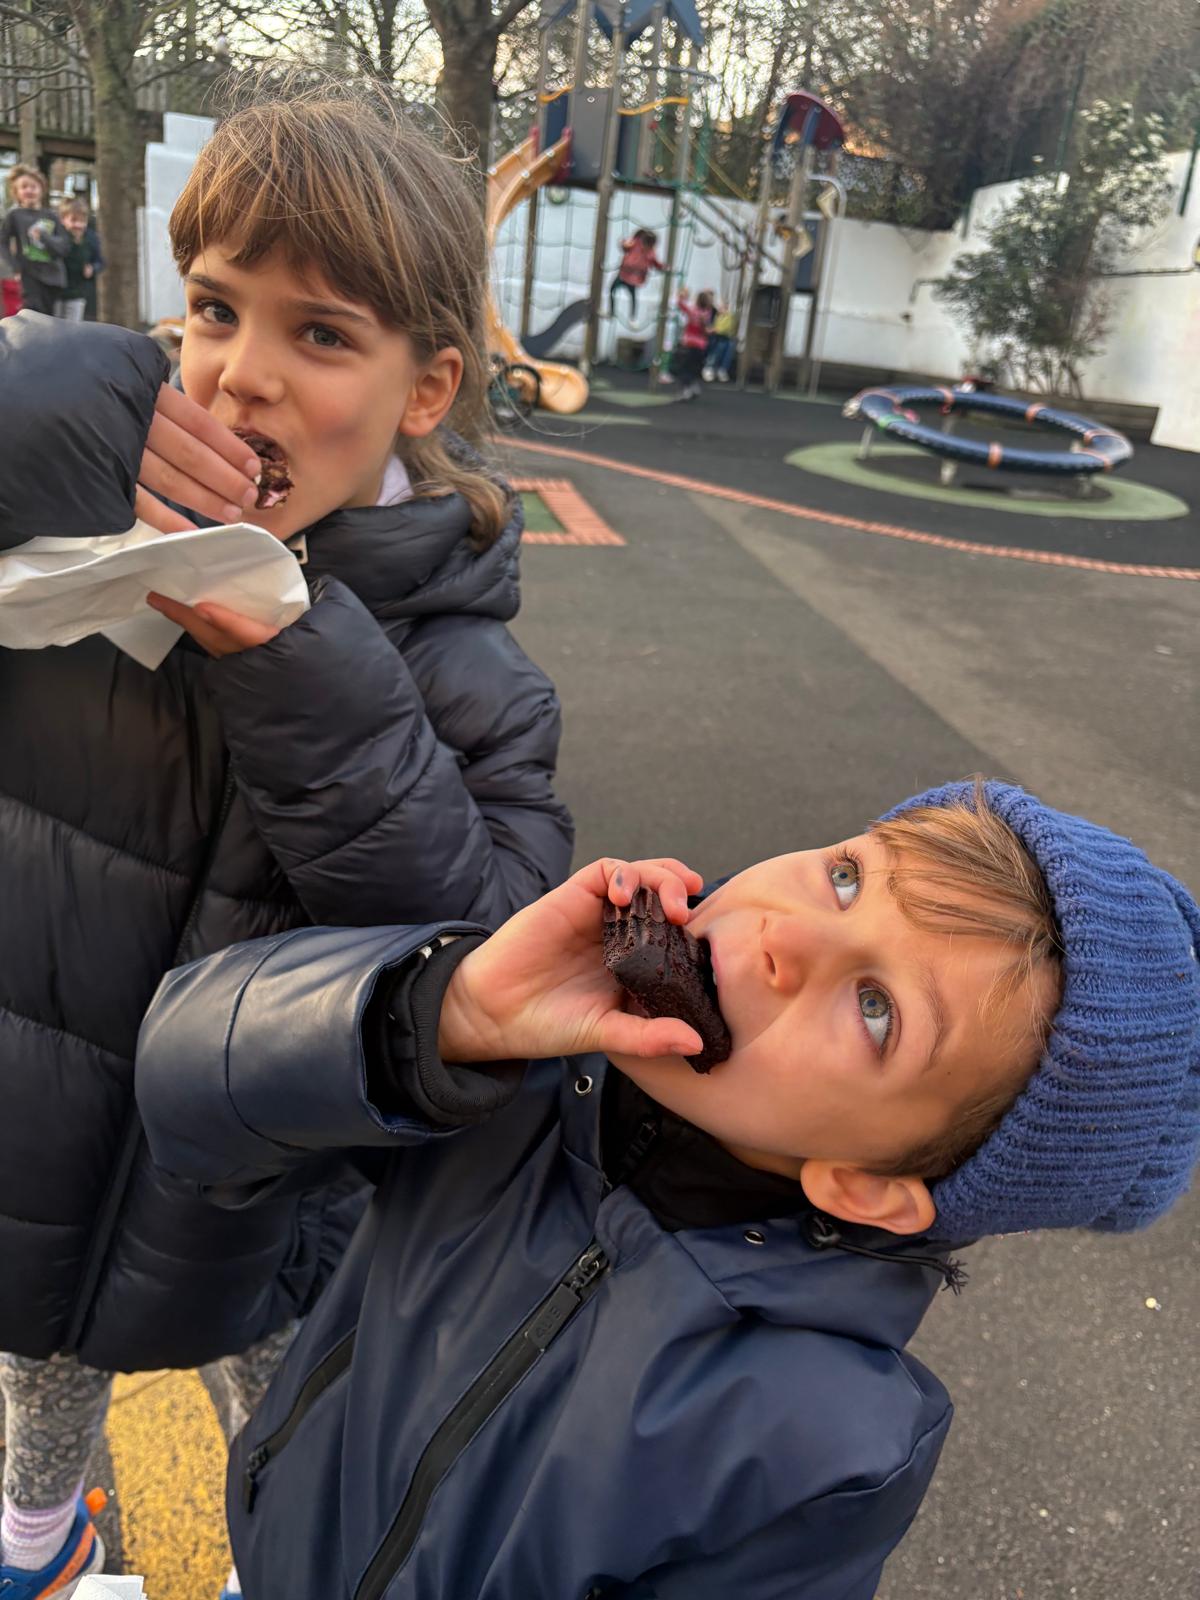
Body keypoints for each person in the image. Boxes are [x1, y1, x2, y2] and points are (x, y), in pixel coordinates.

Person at [134, 779, 1200, 1600]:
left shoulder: (824, 1448)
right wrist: (447, 1013)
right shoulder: (507, 1084)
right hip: (267, 1550)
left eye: (876, 1008)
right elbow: (184, 1099)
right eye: (846, 877)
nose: (783, 937)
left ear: (869, 1186)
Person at [0, 77, 574, 1600]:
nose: (241, 376)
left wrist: (296, 657)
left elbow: (485, 952)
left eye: (320, 334)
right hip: (31, 1139)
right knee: (35, 1373)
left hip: (261, 1210)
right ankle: (39, 1546)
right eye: (213, 309)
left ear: (427, 387)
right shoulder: (67, 550)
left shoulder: (468, 672)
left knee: (294, 1443)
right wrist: (26, 423)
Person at [2, 165, 69, 316]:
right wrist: (15, 266)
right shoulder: (14, 216)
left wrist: (44, 236)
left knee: (50, 318)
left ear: (42, 189)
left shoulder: (51, 216)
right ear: (16, 192)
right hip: (29, 275)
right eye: (24, 187)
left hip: (53, 277)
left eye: (33, 186)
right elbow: (2, 242)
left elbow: (63, 247)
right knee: (32, 314)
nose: (29, 190)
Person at [55, 200, 104, 322]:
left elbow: (100, 261)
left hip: (77, 293)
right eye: (73, 220)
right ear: (63, 219)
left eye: (82, 221)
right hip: (56, 293)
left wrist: (92, 268)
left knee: (73, 325)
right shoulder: (58, 237)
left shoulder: (91, 239)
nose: (78, 225)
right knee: (55, 324)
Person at [608, 227, 665, 319]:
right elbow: (625, 246)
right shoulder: (636, 243)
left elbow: (656, 263)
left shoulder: (651, 252)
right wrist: (623, 243)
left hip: (633, 278)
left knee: (632, 296)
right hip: (624, 275)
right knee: (612, 290)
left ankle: (632, 317)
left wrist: (663, 267)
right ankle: (612, 312)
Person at [671, 287, 715, 400]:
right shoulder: (707, 313)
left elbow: (681, 305)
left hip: (690, 343)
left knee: (685, 368)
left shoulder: (693, 311)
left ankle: (686, 390)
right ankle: (693, 386)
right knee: (694, 367)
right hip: (701, 345)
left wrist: (682, 296)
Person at [703, 301, 736, 383]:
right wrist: (713, 330)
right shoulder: (717, 316)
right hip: (717, 337)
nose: (720, 309)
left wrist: (714, 330)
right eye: (720, 308)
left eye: (723, 308)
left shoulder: (729, 317)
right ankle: (710, 368)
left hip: (724, 337)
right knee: (718, 348)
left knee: (725, 347)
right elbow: (715, 327)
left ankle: (720, 370)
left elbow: (726, 328)